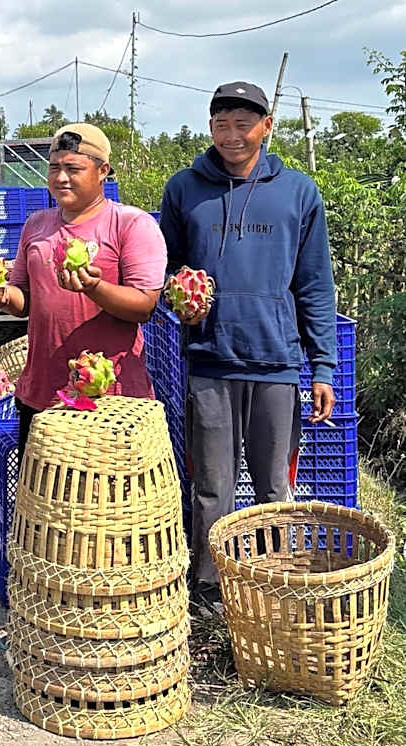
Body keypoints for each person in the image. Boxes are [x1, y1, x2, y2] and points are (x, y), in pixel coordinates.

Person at [158, 81, 337, 609]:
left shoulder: (298, 193)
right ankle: (211, 591)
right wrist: (178, 291)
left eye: (242, 124)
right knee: (212, 485)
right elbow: (163, 264)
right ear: (209, 127)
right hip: (209, 360)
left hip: (277, 361)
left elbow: (314, 285)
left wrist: (321, 365)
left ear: (266, 126)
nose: (231, 136)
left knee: (273, 489)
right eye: (221, 124)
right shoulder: (185, 188)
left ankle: (270, 585)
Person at [0, 123, 168, 458]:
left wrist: (94, 288)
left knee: (106, 506)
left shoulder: (131, 225)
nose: (61, 178)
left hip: (110, 399)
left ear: (103, 171)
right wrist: (3, 296)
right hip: (42, 392)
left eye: (73, 169)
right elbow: (25, 299)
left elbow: (144, 305)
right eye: (54, 168)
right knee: (43, 503)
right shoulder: (36, 225)